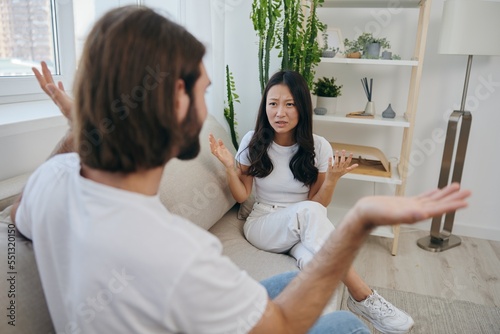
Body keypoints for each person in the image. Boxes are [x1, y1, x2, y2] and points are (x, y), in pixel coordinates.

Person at [9, 6, 470, 334]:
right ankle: (367, 306)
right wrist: (360, 220)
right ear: (174, 103)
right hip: (254, 243)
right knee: (347, 323)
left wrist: (84, 122)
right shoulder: (179, 251)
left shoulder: (52, 182)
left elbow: (18, 217)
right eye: (204, 90)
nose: (210, 106)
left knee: (297, 278)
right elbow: (284, 325)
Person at [209, 70, 427, 334]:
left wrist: (333, 179)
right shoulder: (252, 141)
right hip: (264, 224)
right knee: (310, 214)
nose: (280, 112)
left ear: (302, 107)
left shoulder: (319, 147)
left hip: (304, 227)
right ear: (264, 106)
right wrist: (230, 168)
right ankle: (364, 297)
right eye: (273, 103)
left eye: (289, 104)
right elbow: (242, 196)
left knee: (318, 266)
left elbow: (317, 203)